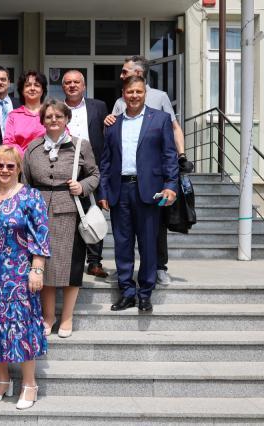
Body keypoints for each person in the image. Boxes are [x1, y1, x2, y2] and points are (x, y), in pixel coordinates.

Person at [0, 145, 50, 411]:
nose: (4, 170)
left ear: (18, 169)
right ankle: (3, 380)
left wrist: (37, 268)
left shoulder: (31, 196)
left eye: (10, 166)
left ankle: (29, 384)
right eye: (0, 165)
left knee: (21, 326)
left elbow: (40, 234)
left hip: (18, 274)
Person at [98, 76, 178, 313]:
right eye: (129, 92)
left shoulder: (160, 119)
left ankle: (145, 293)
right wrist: (103, 190)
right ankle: (127, 292)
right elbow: (106, 161)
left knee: (148, 245)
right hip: (119, 190)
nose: (134, 96)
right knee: (122, 245)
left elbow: (169, 156)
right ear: (123, 94)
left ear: (145, 93)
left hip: (149, 191)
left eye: (138, 92)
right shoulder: (112, 124)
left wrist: (171, 185)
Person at [104, 55, 186, 285]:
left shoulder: (159, 97)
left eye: (125, 71)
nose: (122, 75)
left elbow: (173, 128)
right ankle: (126, 279)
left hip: (151, 179)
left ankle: (158, 268)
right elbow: (114, 131)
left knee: (154, 232)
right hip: (124, 183)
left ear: (138, 74)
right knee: (124, 238)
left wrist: (181, 156)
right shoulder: (122, 100)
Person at [22, 99, 99, 338]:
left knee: (72, 266)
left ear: (67, 119)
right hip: (38, 213)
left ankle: (67, 317)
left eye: (58, 116)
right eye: (48, 117)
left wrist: (83, 186)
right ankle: (48, 316)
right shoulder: (33, 148)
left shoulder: (80, 146)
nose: (53, 120)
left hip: (70, 212)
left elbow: (95, 173)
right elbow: (24, 181)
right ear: (42, 120)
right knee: (43, 266)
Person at [62, 70, 109, 278]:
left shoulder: (98, 106)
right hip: (65, 167)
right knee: (69, 216)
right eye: (68, 83)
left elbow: (106, 137)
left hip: (91, 167)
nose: (72, 85)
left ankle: (95, 262)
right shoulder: (57, 108)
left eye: (76, 82)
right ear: (63, 86)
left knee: (93, 214)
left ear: (84, 86)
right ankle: (70, 260)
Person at [3, 71, 48, 156]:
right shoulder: (14, 115)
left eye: (37, 85)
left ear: (42, 91)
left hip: (49, 163)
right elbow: (8, 143)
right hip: (22, 164)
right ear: (22, 90)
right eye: (27, 85)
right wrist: (27, 156)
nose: (32, 88)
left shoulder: (51, 113)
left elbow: (63, 135)